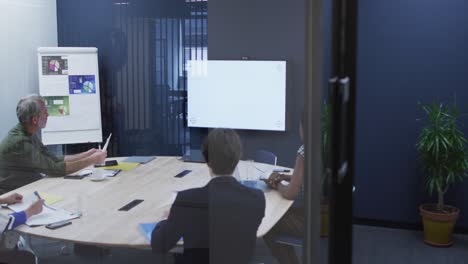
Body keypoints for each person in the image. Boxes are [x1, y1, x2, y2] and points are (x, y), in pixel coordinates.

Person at [151, 128, 266, 264]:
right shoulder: (257, 198)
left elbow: (159, 245)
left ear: (206, 160)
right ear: (238, 158)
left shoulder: (187, 200)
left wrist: (169, 218)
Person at [0, 94, 107, 194]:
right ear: (35, 120)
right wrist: (93, 160)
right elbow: (56, 169)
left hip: (25, 190)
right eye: (44, 112)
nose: (48, 114)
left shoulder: (28, 132)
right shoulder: (20, 142)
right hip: (11, 197)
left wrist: (87, 154)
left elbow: (53, 159)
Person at [263, 113, 305, 264]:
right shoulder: (322, 146)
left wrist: (276, 185)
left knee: (267, 222)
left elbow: (290, 194)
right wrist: (286, 177)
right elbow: (306, 177)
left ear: (302, 127)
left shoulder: (304, 151)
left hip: (305, 220)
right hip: (320, 217)